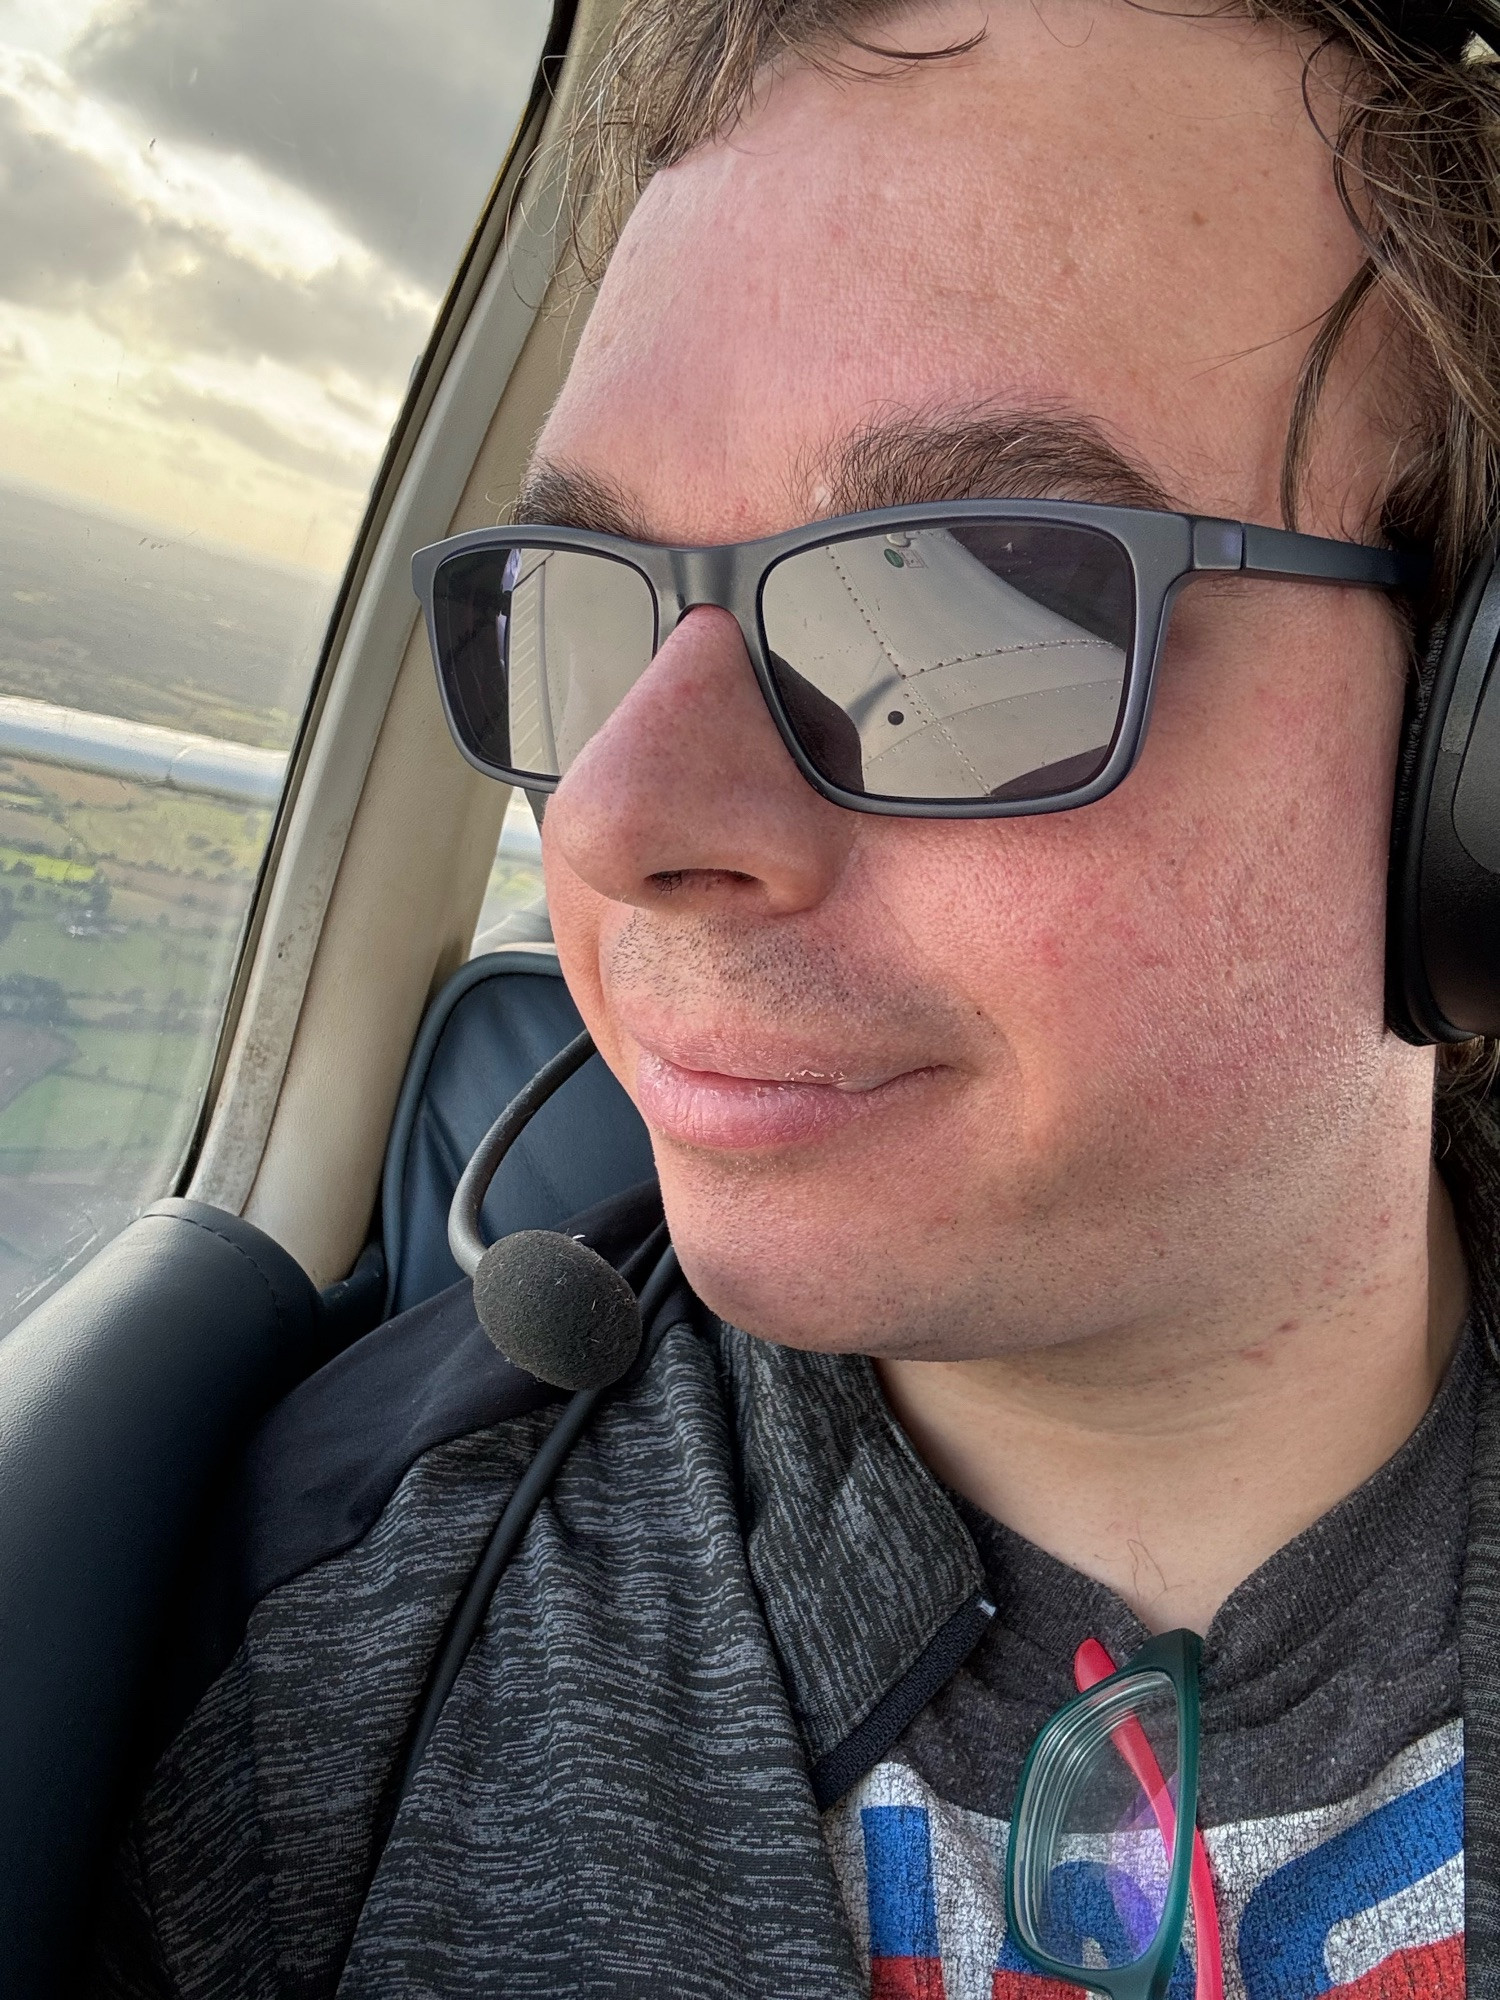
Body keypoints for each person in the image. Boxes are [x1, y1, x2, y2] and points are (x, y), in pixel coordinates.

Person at [90, 0, 1500, 1991]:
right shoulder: (334, 1639)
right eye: (585, 599)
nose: (616, 817)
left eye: (965, 599)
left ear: (1473, 753)